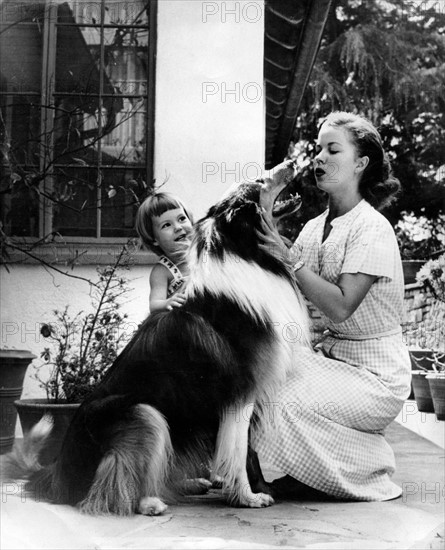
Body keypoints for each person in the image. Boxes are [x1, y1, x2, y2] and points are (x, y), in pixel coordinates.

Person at [255, 111, 412, 501]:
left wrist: (286, 254)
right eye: (318, 149)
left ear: (361, 163)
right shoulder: (313, 228)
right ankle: (314, 470)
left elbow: (341, 307)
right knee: (259, 381)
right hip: (332, 360)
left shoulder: (372, 228)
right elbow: (285, 285)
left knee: (283, 402)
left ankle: (367, 463)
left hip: (377, 375)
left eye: (333, 149)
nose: (319, 158)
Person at [136, 192, 194, 313]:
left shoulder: (203, 255)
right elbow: (154, 304)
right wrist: (167, 302)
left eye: (182, 219)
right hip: (183, 325)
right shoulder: (162, 271)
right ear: (154, 239)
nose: (178, 227)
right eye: (166, 225)